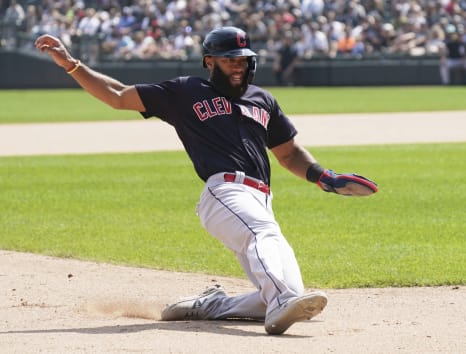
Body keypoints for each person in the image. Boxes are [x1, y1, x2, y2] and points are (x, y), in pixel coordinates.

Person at [34, 26, 378, 335]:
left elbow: (289, 154)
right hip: (223, 192)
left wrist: (324, 177)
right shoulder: (186, 91)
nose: (238, 65)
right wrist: (71, 64)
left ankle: (212, 305)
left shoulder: (263, 99)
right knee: (269, 247)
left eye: (243, 59)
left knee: (279, 288)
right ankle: (281, 302)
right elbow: (118, 96)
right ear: (209, 61)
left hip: (260, 199)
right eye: (230, 60)